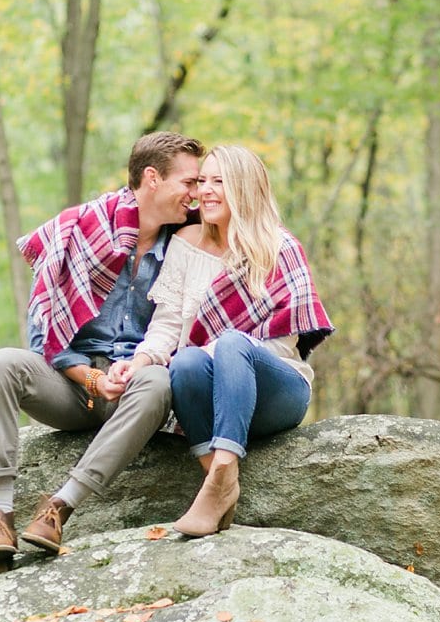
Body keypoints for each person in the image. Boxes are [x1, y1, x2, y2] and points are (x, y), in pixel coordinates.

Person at [0, 131, 204, 564]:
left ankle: (58, 507)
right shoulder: (79, 228)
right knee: (0, 363)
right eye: (188, 183)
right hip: (69, 385)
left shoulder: (188, 242)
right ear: (152, 178)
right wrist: (93, 378)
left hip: (135, 389)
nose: (196, 194)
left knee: (156, 382)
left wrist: (130, 371)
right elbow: (44, 338)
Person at [108, 145, 333, 537]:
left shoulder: (279, 248)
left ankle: (223, 471)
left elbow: (282, 345)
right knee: (186, 363)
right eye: (201, 181)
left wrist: (217, 350)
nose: (204, 192)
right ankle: (219, 482)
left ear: (243, 188)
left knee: (229, 345)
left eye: (218, 182)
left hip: (274, 393)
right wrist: (140, 361)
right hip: (211, 393)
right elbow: (166, 326)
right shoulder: (184, 244)